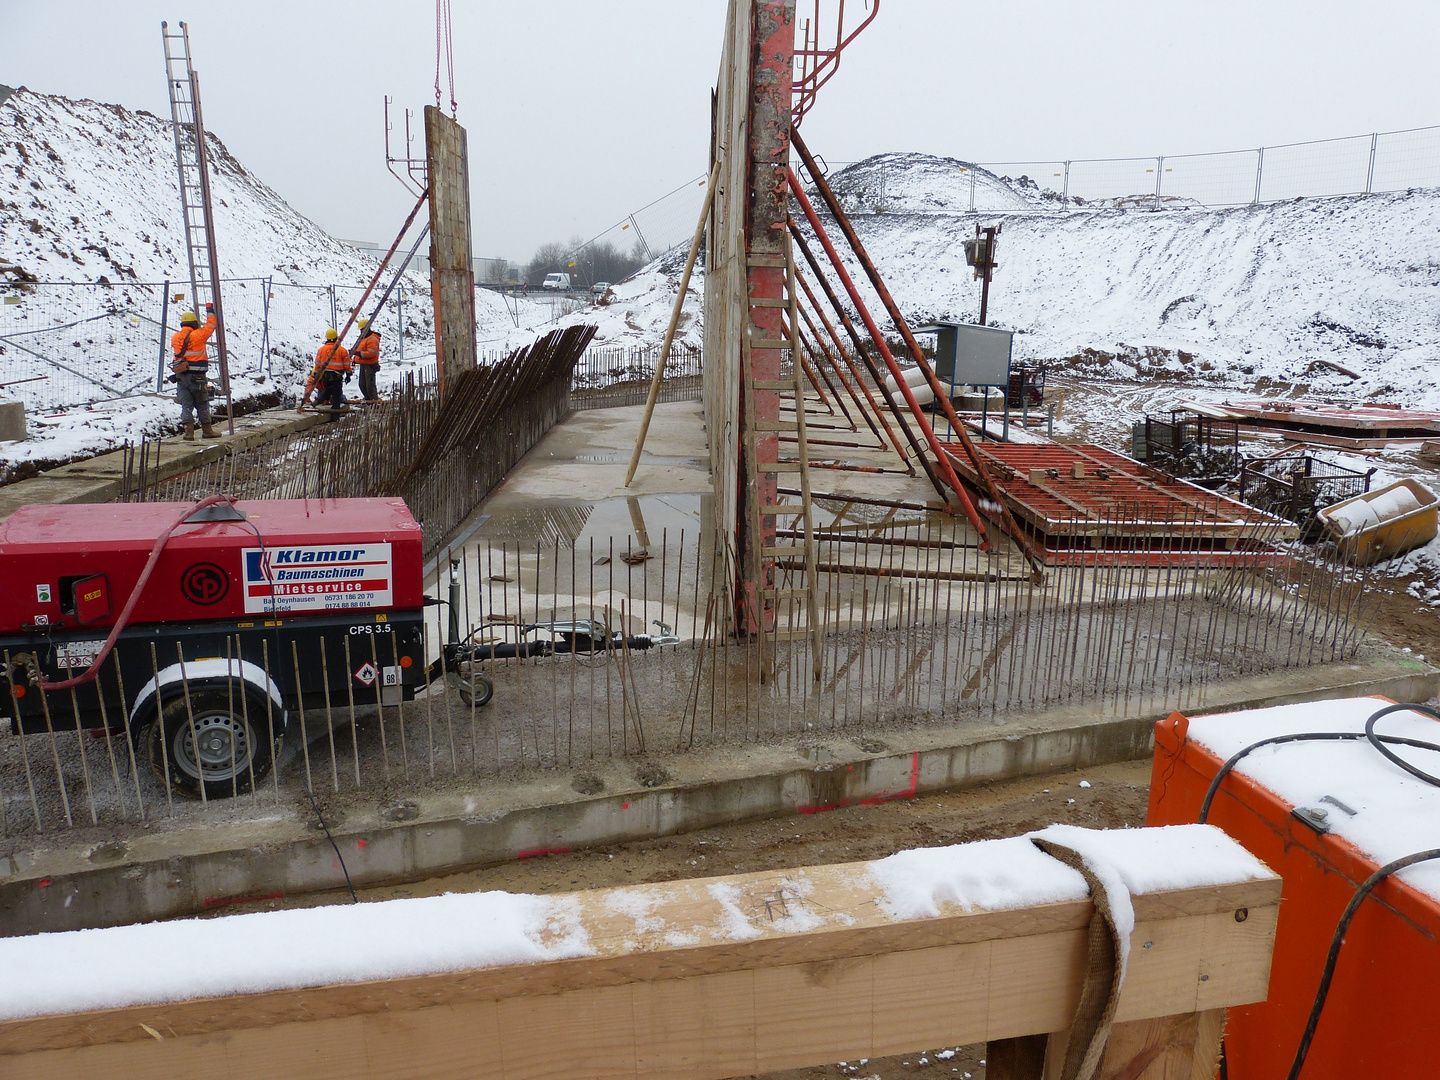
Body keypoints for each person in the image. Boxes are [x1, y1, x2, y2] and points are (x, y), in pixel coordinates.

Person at [170, 303, 219, 441]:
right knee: (202, 403)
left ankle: (189, 433)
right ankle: (207, 431)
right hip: (197, 377)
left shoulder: (175, 337)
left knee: (186, 404)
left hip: (181, 376)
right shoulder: (199, 335)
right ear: (194, 323)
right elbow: (212, 325)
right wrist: (210, 309)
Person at [300, 328, 351, 412]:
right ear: (336, 337)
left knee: (328, 389)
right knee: (336, 394)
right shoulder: (342, 350)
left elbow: (318, 363)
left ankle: (318, 401)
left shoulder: (321, 350)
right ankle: (335, 412)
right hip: (337, 375)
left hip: (325, 375)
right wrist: (348, 374)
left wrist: (317, 373)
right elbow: (346, 364)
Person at [352, 317, 381, 402]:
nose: (361, 331)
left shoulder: (372, 339)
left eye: (362, 329)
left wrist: (358, 354)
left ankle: (373, 400)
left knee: (370, 385)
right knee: (362, 384)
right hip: (363, 364)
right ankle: (368, 398)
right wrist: (355, 359)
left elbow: (372, 353)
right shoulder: (363, 339)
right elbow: (360, 350)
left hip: (370, 365)